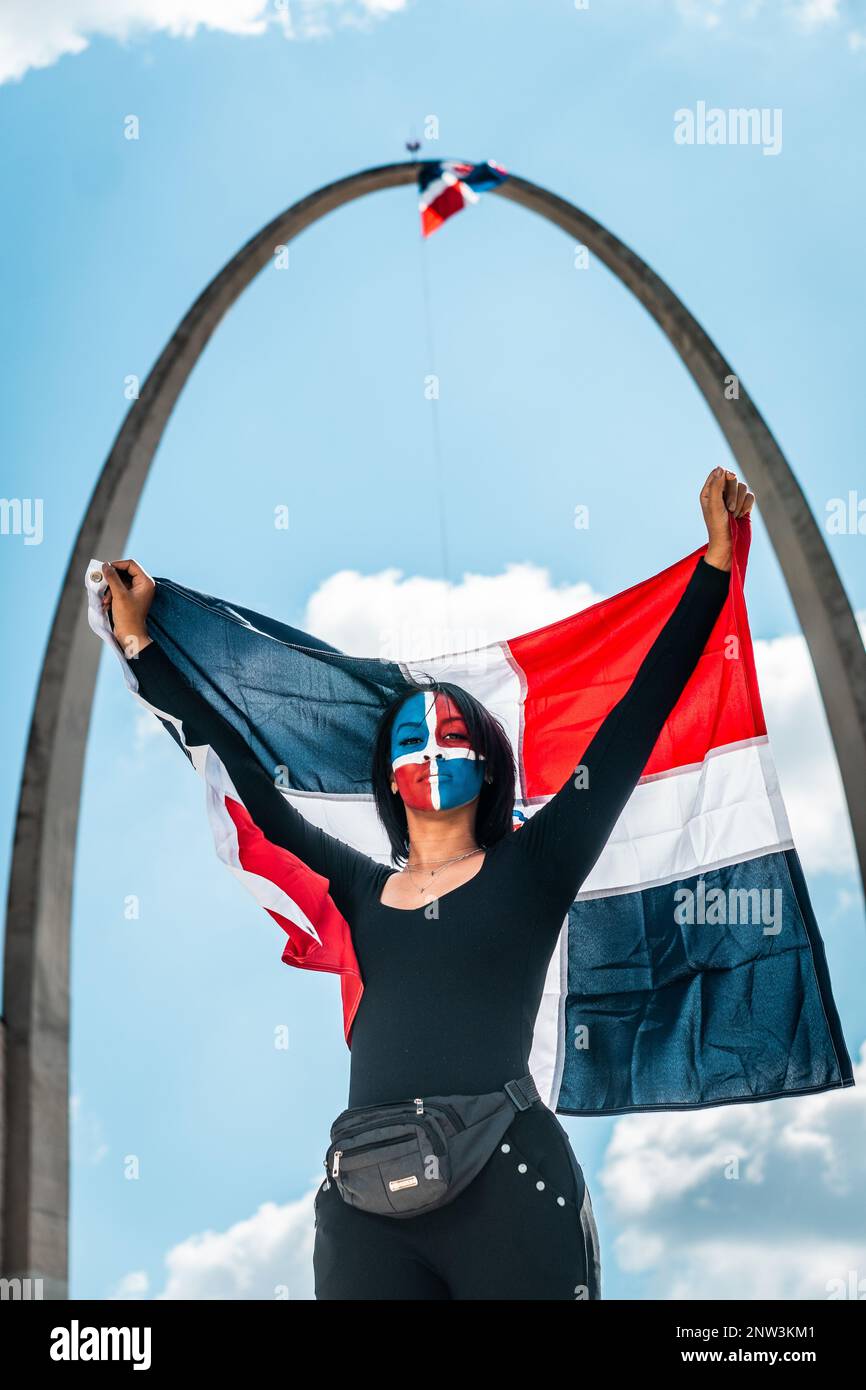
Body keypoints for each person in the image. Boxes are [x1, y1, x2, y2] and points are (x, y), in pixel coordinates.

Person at [100, 466, 755, 1301]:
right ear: (388, 773)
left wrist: (712, 569)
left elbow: (634, 720)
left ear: (488, 764)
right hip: (365, 1197)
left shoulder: (536, 863)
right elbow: (247, 781)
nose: (431, 749)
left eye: (452, 734)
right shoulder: (356, 889)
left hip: (509, 1176)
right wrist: (144, 646)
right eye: (413, 736)